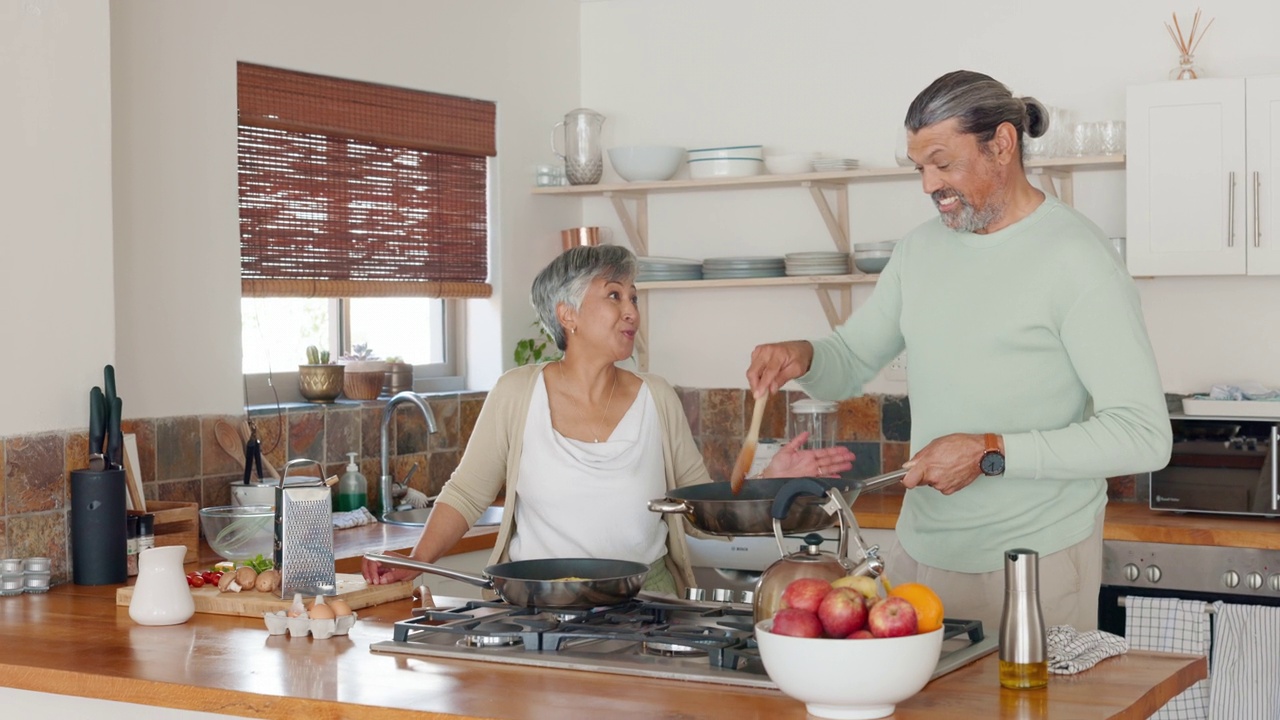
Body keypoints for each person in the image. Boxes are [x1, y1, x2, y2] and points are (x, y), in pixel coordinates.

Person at [745, 70, 1172, 632]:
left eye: (943, 164)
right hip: (920, 558)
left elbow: (1144, 436)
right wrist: (805, 355)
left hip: (1036, 563)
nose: (928, 185)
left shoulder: (1078, 259)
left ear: (1001, 144)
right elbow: (850, 358)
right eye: (919, 167)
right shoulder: (920, 251)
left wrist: (990, 451)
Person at [365, 244, 855, 595]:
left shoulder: (656, 397)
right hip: (539, 603)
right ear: (568, 315)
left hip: (647, 599)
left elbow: (699, 512)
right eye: (614, 296)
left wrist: (769, 482)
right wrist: (416, 561)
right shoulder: (517, 392)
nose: (631, 312)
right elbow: (467, 492)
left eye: (634, 298)